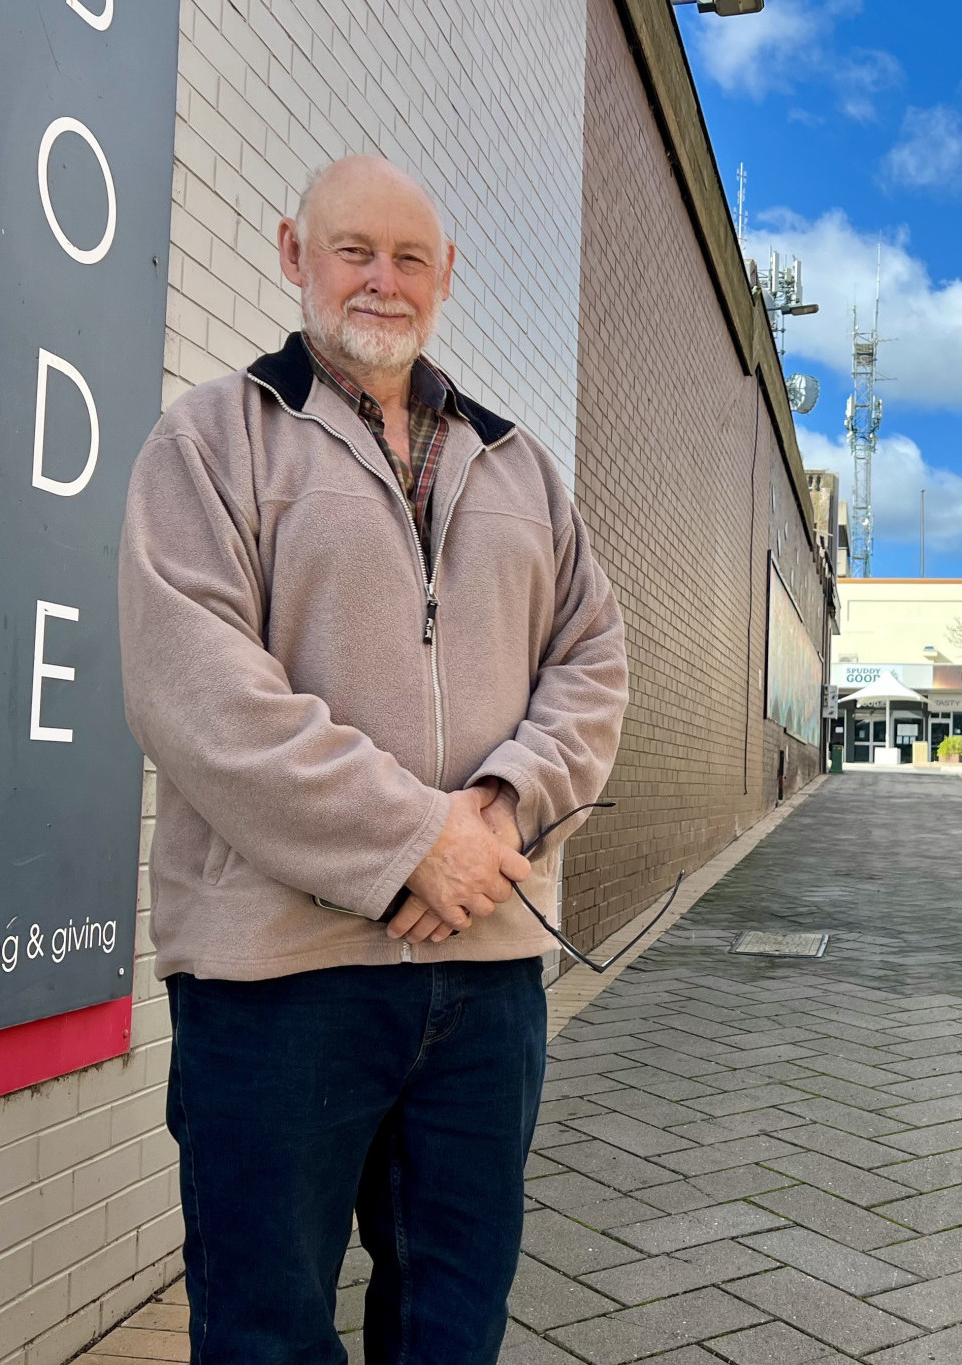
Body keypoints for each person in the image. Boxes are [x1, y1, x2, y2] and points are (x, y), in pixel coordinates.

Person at [117, 154, 628, 1365]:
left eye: (409, 258)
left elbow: (593, 663)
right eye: (354, 251)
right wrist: (413, 841)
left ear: (444, 276)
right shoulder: (208, 441)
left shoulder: (517, 465)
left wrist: (500, 812)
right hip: (279, 977)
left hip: (489, 972)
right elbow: (199, 693)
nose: (382, 282)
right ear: (294, 253)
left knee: (453, 1323)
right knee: (265, 1329)